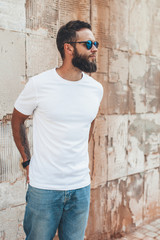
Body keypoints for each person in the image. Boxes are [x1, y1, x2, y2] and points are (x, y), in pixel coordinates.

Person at [11, 20, 103, 240]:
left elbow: (88, 125)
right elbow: (17, 120)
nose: (95, 49)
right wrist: (26, 160)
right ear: (68, 48)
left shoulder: (95, 89)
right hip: (44, 187)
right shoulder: (39, 84)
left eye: (96, 43)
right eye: (88, 43)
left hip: (80, 186)